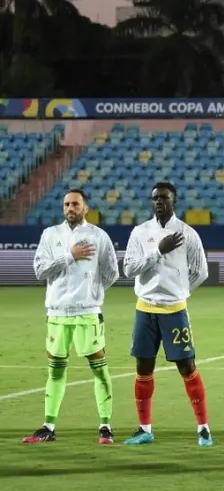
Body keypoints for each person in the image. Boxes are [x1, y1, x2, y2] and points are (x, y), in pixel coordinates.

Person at [23, 189, 119, 444]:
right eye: (66, 204)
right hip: (56, 313)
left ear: (85, 208)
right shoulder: (50, 235)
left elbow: (111, 272)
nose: (70, 208)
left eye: (75, 204)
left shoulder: (98, 236)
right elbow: (40, 270)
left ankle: (105, 426)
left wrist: (92, 293)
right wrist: (69, 256)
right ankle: (48, 426)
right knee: (55, 370)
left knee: (98, 368)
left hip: (87, 313)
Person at [121, 182, 212, 446]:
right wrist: (158, 250)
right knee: (143, 367)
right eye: (154, 198)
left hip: (174, 310)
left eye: (164, 197)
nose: (158, 202)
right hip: (145, 309)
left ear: (174, 200)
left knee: (187, 366)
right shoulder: (141, 232)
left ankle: (203, 428)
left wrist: (180, 291)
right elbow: (129, 269)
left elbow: (200, 271)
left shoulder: (188, 234)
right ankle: (144, 428)